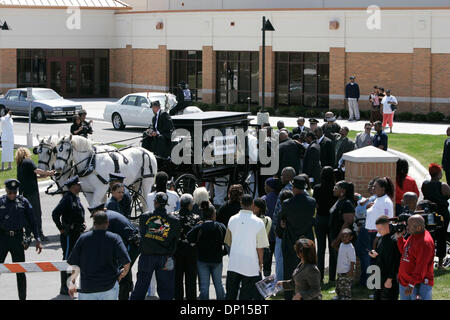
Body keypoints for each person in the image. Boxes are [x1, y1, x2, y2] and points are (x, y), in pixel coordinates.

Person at [67, 211, 130, 300]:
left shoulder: (83, 238)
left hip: (87, 288)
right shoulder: (115, 238)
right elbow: (126, 262)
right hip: (109, 287)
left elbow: (73, 264)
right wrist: (122, 274)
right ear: (108, 223)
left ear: (94, 223)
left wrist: (72, 283)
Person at [130, 192, 182, 300]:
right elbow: (175, 239)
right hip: (165, 257)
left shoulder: (145, 217)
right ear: (166, 203)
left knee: (140, 287)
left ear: (155, 202)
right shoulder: (174, 221)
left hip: (147, 256)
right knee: (166, 291)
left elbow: (143, 235)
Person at [0, 179, 42, 300]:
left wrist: (37, 238)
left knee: (20, 271)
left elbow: (32, 221)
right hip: (2, 239)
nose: (12, 195)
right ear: (6, 191)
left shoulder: (23, 202)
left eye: (14, 192)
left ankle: (22, 298)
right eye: (10, 193)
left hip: (18, 240)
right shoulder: (1, 202)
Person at [89, 203, 140, 300]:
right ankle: (126, 291)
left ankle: (123, 295)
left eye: (95, 216)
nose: (94, 219)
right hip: (131, 243)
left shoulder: (107, 218)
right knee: (125, 268)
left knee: (122, 269)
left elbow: (105, 239)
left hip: (131, 244)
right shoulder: (109, 214)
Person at [224, 194, 269, 300]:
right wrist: (260, 262)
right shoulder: (258, 222)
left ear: (241, 203)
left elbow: (228, 241)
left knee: (231, 294)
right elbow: (260, 246)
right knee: (246, 295)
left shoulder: (232, 219)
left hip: (234, 262)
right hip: (251, 263)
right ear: (253, 204)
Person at [279, 175, 316, 300]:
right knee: (307, 269)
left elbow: (282, 218)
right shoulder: (312, 202)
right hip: (307, 240)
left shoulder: (287, 203)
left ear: (293, 188)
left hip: (291, 240)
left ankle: (290, 296)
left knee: (289, 269)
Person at [52, 176, 86, 296]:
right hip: (68, 234)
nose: (80, 186)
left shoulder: (76, 198)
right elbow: (55, 214)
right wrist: (61, 228)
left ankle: (72, 285)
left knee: (76, 259)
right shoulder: (67, 199)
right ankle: (64, 287)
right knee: (67, 260)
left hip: (77, 233)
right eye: (78, 184)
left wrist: (82, 224)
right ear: (72, 187)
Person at [187, 202, 227, 300]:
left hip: (202, 260)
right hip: (217, 259)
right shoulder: (220, 227)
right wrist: (223, 253)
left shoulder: (200, 227)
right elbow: (227, 241)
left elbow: (189, 237)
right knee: (219, 284)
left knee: (204, 286)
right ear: (214, 215)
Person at [360, 177, 394, 286]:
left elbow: (387, 219)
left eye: (376, 187)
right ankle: (371, 284)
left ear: (383, 189)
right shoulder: (376, 199)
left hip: (377, 234)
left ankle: (376, 285)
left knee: (377, 261)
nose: (373, 188)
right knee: (371, 260)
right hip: (370, 233)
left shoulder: (386, 201)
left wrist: (378, 236)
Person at [16, 147, 54, 240]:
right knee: (36, 213)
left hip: (23, 193)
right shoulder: (28, 161)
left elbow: (31, 176)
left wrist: (45, 175)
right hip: (32, 192)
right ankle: (39, 234)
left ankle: (28, 233)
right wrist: (48, 173)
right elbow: (37, 171)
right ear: (26, 153)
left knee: (26, 213)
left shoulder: (20, 164)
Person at [397, 215, 435, 300]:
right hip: (406, 281)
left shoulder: (425, 243)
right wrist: (400, 238)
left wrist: (411, 285)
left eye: (409, 226)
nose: (407, 227)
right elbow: (405, 251)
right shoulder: (414, 235)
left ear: (418, 228)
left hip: (418, 285)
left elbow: (421, 267)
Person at [421, 163, 450, 269]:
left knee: (429, 237)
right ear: (438, 174)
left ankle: (428, 262)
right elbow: (448, 194)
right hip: (442, 214)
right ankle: (441, 264)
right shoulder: (443, 186)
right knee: (442, 237)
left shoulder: (425, 184)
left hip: (429, 213)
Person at [174, 194, 201, 300]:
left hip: (177, 251)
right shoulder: (196, 218)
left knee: (177, 278)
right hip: (191, 252)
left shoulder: (173, 216)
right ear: (190, 205)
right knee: (191, 279)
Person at [313, 166, 337, 282]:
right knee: (332, 249)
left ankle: (320, 276)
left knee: (321, 249)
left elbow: (315, 205)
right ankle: (332, 277)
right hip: (332, 220)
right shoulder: (335, 189)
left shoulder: (317, 188)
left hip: (320, 218)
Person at [329, 181, 355, 283]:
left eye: (336, 187)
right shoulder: (339, 200)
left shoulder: (347, 203)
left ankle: (345, 286)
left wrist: (338, 239)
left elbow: (347, 222)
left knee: (344, 264)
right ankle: (339, 285)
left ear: (343, 191)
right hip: (335, 235)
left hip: (342, 239)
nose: (333, 189)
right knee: (338, 262)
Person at [369, 215, 400, 300]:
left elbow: (395, 262)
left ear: (387, 226)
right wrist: (374, 255)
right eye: (377, 229)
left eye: (380, 229)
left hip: (389, 278)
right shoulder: (381, 239)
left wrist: (390, 279)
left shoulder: (394, 240)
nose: (378, 231)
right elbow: (381, 256)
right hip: (379, 277)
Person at [273, 167, 296, 283]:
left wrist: (275, 228)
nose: (281, 177)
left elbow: (278, 212)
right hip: (292, 231)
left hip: (281, 232)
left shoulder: (285, 191)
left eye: (282, 175)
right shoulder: (295, 189)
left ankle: (280, 283)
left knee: (280, 258)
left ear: (288, 177)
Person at [261, 177, 281, 273]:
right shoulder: (280, 197)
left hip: (267, 234)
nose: (264, 187)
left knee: (267, 260)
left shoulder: (264, 199)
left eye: (266, 185)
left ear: (269, 187)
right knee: (279, 258)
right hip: (278, 233)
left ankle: (267, 277)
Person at [252, 198, 272, 277]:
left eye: (254, 206)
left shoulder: (254, 220)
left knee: (256, 272)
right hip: (266, 249)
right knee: (265, 271)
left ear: (258, 208)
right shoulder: (268, 219)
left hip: (256, 249)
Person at [334, 228, 356, 300]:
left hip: (346, 271)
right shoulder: (341, 244)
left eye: (346, 236)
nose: (343, 238)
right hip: (340, 270)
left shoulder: (350, 247)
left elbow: (352, 260)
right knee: (339, 284)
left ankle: (347, 297)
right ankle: (339, 295)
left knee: (345, 285)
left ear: (351, 238)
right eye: (342, 236)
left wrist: (351, 270)